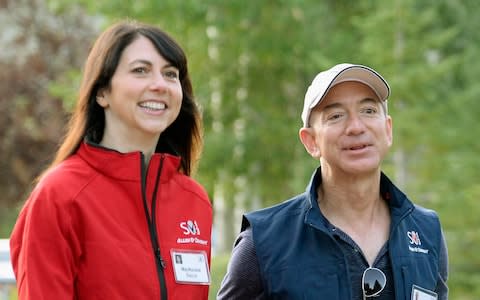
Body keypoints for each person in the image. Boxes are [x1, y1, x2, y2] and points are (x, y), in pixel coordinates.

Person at [10, 20, 213, 300]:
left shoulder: (195, 200)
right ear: (102, 92)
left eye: (170, 74)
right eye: (140, 71)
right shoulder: (60, 195)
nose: (159, 85)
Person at [217, 63, 448, 299]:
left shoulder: (427, 231)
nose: (356, 127)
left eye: (368, 111)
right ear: (310, 141)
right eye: (336, 116)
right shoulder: (263, 241)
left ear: (388, 129)